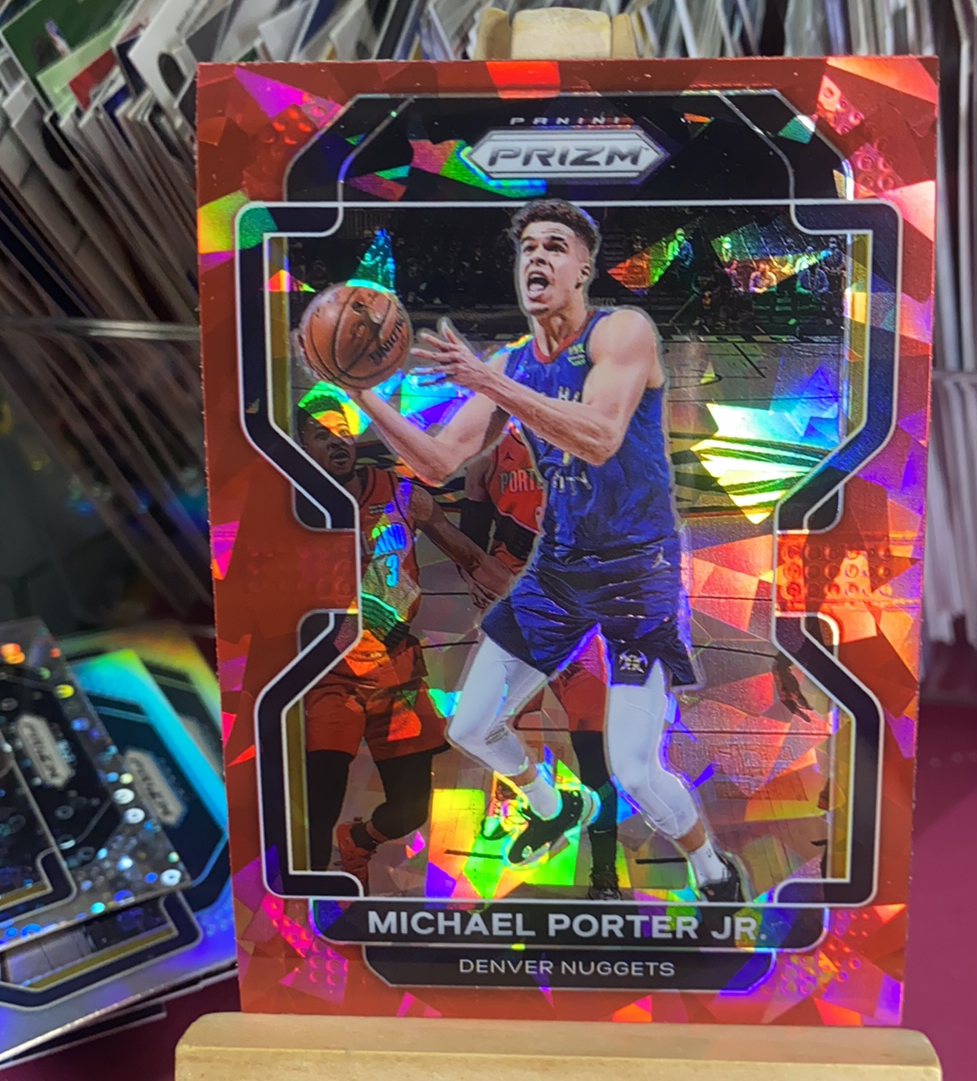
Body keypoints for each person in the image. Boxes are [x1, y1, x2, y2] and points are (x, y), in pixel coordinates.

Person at [350, 198, 745, 902]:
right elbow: (438, 462)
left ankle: (711, 869)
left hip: (636, 576)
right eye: (528, 246)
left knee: (633, 767)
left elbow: (600, 436)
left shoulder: (621, 331)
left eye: (556, 245)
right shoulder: (511, 362)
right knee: (470, 725)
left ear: (585, 267)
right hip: (559, 572)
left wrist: (491, 382)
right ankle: (554, 805)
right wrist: (360, 392)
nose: (537, 256)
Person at [297, 389, 512, 891]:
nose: (337, 443)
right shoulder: (292, 506)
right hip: (330, 673)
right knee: (318, 806)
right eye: (322, 436)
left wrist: (531, 601)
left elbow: (471, 557)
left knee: (412, 808)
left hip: (395, 670)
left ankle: (359, 840)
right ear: (301, 446)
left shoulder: (401, 492)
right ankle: (308, 905)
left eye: (343, 432)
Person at [460, 426, 621, 900]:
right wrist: (476, 575)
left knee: (590, 738)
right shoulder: (492, 443)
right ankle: (526, 823)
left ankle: (604, 873)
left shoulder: (589, 435)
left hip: (572, 609)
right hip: (514, 599)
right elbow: (473, 535)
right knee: (497, 728)